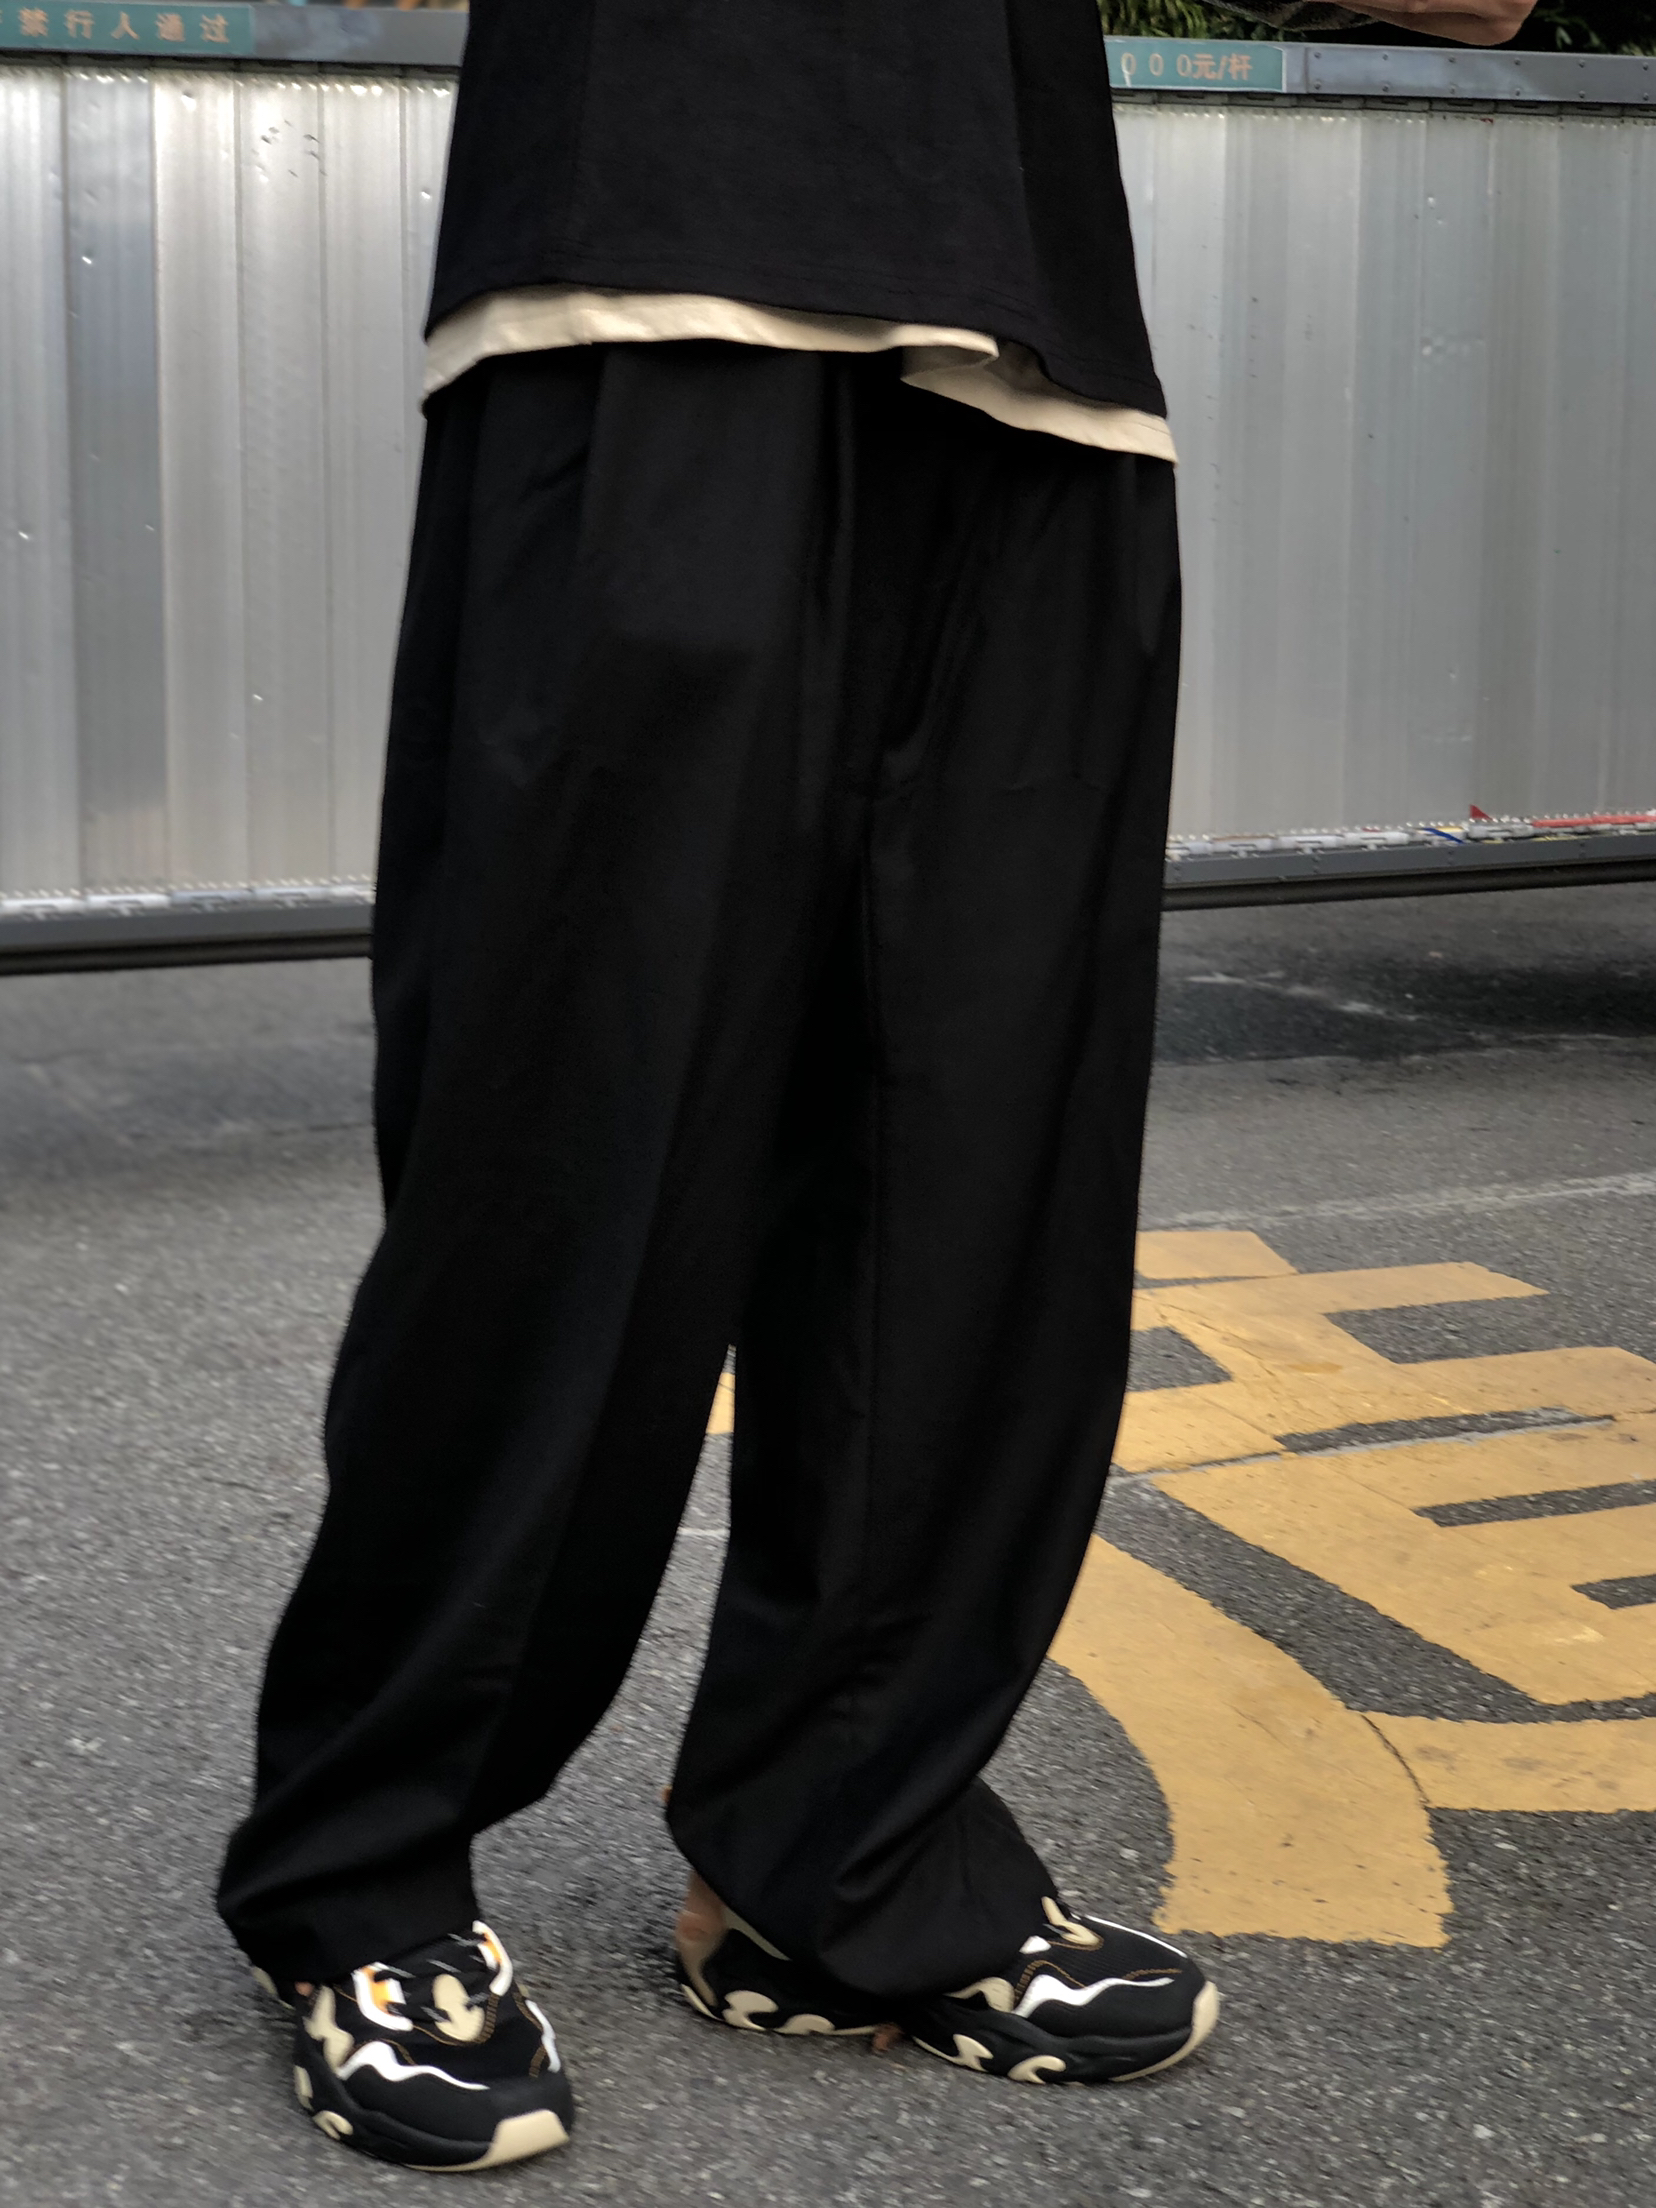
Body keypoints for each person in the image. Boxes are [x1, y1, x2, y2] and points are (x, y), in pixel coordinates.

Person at [216, 0, 1536, 2171]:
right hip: (658, 239)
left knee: (981, 1144)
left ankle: (842, 1857)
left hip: (1031, 323)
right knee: (575, 1125)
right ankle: (360, 1871)